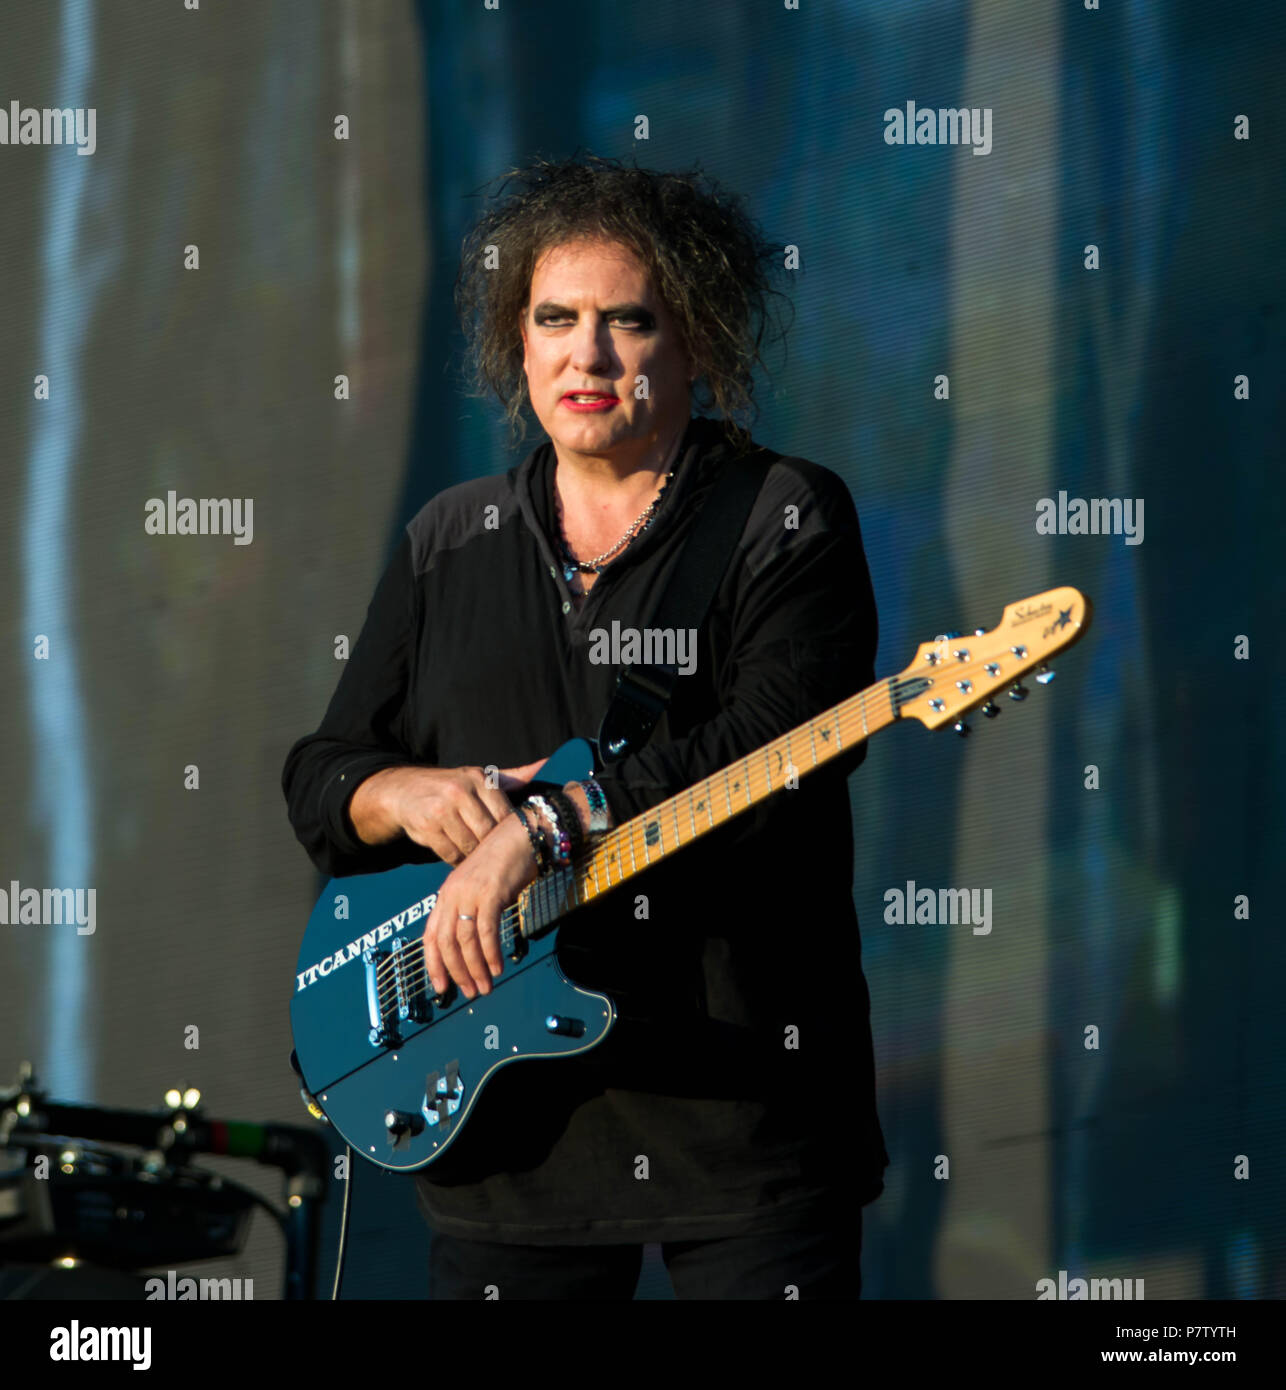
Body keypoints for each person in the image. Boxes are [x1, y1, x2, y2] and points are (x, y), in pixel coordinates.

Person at [281, 153, 888, 1300]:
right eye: (554, 318)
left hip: (744, 1117)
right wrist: (403, 794)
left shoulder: (783, 514)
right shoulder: (448, 538)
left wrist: (548, 827)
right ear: (518, 344)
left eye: (628, 321)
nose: (587, 354)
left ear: (695, 342)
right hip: (506, 1136)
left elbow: (777, 739)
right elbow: (323, 775)